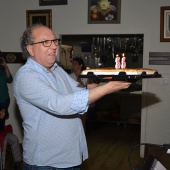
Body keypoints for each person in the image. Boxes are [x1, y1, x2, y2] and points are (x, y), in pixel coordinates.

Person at [13, 24, 131, 170]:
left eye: (55, 41)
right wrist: (108, 88)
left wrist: (102, 84)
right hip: (45, 162)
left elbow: (80, 92)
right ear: (30, 49)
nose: (54, 46)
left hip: (69, 157)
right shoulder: (26, 76)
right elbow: (59, 105)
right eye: (45, 42)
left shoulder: (57, 70)